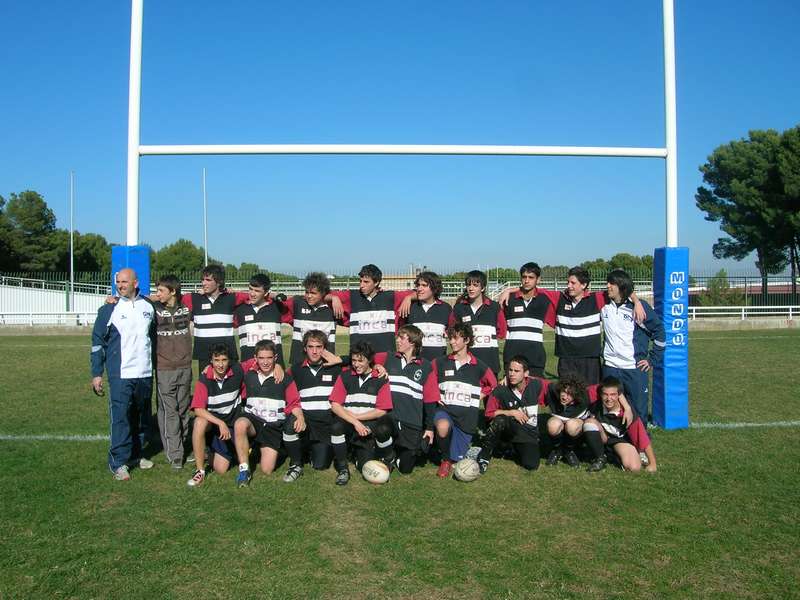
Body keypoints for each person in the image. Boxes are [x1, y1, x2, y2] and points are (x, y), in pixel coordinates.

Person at [90, 268, 155, 481]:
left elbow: (152, 338)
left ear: (135, 283)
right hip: (120, 374)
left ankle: (136, 455)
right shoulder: (109, 309)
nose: (120, 285)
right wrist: (97, 373)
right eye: (118, 282)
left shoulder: (148, 306)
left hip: (144, 372)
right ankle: (118, 462)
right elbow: (98, 343)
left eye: (124, 281)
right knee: (121, 418)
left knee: (141, 416)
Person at [232, 340, 304, 487]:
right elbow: (227, 367)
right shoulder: (248, 375)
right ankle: (244, 470)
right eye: (261, 358)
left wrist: (300, 416)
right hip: (253, 421)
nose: (265, 362)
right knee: (240, 424)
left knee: (267, 469)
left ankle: (272, 449)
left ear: (275, 357)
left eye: (269, 358)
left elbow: (294, 403)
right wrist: (209, 367)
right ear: (255, 358)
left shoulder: (284, 378)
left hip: (272, 426)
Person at [433, 323, 497, 478]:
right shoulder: (440, 362)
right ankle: (445, 460)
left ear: (467, 340)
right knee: (442, 427)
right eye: (450, 338)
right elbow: (428, 380)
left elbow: (493, 384)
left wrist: (481, 394)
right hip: (445, 411)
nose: (451, 342)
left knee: (459, 459)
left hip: (467, 418)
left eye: (455, 338)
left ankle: (465, 452)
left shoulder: (478, 366)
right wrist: (435, 394)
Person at [601, 269, 665, 425]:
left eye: (612, 283)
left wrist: (652, 359)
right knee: (611, 410)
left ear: (621, 286)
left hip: (634, 368)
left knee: (638, 410)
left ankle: (640, 446)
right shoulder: (603, 304)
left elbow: (660, 333)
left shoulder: (638, 308)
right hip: (610, 367)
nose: (607, 286)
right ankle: (614, 445)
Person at [373, 325, 439, 474]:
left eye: (401, 338)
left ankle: (398, 456)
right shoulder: (388, 357)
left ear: (413, 342)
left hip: (412, 422)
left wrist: (429, 428)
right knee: (382, 429)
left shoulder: (426, 366)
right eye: (398, 337)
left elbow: (430, 400)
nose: (397, 340)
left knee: (406, 469)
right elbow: (363, 357)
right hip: (390, 417)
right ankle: (388, 456)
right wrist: (376, 365)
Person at [329, 341, 394, 486]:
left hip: (368, 423)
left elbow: (381, 410)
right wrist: (355, 422)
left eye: (360, 360)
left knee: (364, 466)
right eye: (353, 360)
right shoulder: (345, 376)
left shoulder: (381, 378)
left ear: (370, 360)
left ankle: (387, 458)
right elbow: (335, 405)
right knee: (336, 427)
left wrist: (359, 419)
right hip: (350, 422)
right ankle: (343, 469)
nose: (356, 364)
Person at [186, 344, 246, 487]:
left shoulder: (237, 370)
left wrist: (278, 367)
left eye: (224, 360)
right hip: (215, 424)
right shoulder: (204, 378)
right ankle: (200, 470)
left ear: (229, 361)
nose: (220, 364)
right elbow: (198, 409)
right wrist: (220, 423)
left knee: (221, 469)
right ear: (211, 361)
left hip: (232, 425)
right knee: (199, 422)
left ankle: (211, 449)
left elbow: (259, 362)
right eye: (216, 360)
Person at [477, 355, 548, 473]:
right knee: (500, 420)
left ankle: (509, 448)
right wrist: (511, 412)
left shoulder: (536, 385)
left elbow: (555, 389)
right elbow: (488, 413)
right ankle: (484, 456)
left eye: (516, 371)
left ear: (526, 373)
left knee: (531, 465)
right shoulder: (500, 390)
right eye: (510, 370)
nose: (512, 374)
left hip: (528, 432)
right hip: (509, 428)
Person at [285, 329, 343, 472]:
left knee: (320, 465)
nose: (315, 351)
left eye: (319, 347)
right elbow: (282, 383)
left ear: (325, 349)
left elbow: (360, 363)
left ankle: (313, 450)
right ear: (305, 348)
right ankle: (296, 462)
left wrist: (378, 367)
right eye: (310, 347)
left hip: (325, 423)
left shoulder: (335, 368)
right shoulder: (296, 369)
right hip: (305, 420)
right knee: (290, 425)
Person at [325, 263, 415, 353]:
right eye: (360, 281)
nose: (361, 285)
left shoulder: (390, 297)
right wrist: (334, 297)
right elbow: (321, 295)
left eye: (366, 282)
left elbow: (421, 293)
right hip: (359, 358)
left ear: (376, 283)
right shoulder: (351, 296)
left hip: (386, 357)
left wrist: (409, 298)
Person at [152, 274, 193, 469]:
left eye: (161, 290)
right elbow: (134, 300)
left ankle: (182, 446)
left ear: (173, 291)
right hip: (164, 368)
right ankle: (175, 454)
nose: (157, 294)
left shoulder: (187, 306)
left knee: (184, 409)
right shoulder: (153, 308)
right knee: (169, 411)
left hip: (185, 367)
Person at [181, 265, 249, 372]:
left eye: (208, 280)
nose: (203, 283)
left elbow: (255, 295)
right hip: (204, 355)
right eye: (202, 280)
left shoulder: (231, 298)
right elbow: (170, 296)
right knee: (208, 387)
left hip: (228, 354)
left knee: (231, 386)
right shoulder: (193, 298)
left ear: (219, 282)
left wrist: (227, 290)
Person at [582, 376, 657, 472]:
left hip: (619, 441)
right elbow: (580, 391)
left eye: (613, 394)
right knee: (589, 423)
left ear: (619, 395)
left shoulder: (627, 414)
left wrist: (653, 463)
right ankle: (599, 457)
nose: (609, 398)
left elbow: (642, 437)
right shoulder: (596, 398)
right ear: (600, 394)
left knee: (634, 467)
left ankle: (612, 455)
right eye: (605, 394)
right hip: (602, 437)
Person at [500, 262, 556, 376]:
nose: (527, 280)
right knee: (511, 392)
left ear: (538, 279)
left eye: (531, 277)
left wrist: (510, 289)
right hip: (512, 355)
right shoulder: (508, 299)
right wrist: (508, 291)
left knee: (535, 392)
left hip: (535, 357)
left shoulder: (544, 300)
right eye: (524, 277)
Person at [450, 270, 506, 376]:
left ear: (483, 288)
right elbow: (452, 330)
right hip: (466, 362)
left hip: (490, 362)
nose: (471, 288)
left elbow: (502, 332)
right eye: (468, 285)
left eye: (475, 285)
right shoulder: (459, 308)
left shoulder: (494, 307)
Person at [280, 272, 338, 365]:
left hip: (326, 362)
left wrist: (335, 298)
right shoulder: (298, 303)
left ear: (323, 293)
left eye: (313, 293)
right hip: (299, 361)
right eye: (307, 292)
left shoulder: (333, 307)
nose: (309, 296)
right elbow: (277, 304)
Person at [234, 273, 286, 365]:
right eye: (250, 289)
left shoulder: (277, 307)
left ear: (266, 293)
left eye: (257, 291)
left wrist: (275, 296)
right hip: (248, 369)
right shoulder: (240, 309)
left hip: (274, 369)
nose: (252, 294)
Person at [400, 271, 453, 361]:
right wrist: (408, 297)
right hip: (414, 363)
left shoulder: (446, 308)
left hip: (438, 364)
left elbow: (452, 333)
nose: (419, 289)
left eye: (424, 285)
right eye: (418, 285)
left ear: (434, 288)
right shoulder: (410, 307)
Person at [545, 374, 591, 468]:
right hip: (559, 422)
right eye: (564, 392)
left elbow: (607, 388)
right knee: (553, 425)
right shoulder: (552, 390)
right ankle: (557, 450)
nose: (565, 397)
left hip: (576, 428)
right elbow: (535, 381)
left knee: (572, 425)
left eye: (570, 394)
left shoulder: (583, 399)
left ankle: (568, 450)